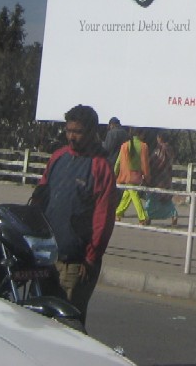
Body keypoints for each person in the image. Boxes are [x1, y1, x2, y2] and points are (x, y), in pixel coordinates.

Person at [30, 104, 116, 326]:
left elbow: (103, 219)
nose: (71, 137)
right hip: (47, 258)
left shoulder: (101, 167)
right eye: (68, 130)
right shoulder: (58, 157)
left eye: (77, 132)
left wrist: (90, 258)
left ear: (91, 132)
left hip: (76, 264)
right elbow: (40, 197)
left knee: (67, 325)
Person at [114, 127, 150, 225]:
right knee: (130, 194)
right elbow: (145, 163)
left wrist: (114, 173)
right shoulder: (144, 146)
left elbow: (118, 162)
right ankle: (142, 217)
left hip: (126, 175)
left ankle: (118, 214)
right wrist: (147, 176)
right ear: (140, 134)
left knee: (131, 194)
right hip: (137, 175)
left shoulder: (125, 146)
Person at [144, 129, 178, 227]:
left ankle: (148, 216)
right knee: (166, 200)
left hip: (158, 178)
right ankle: (173, 214)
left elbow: (156, 162)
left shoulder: (160, 149)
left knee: (152, 198)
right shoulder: (170, 149)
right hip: (167, 178)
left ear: (160, 138)